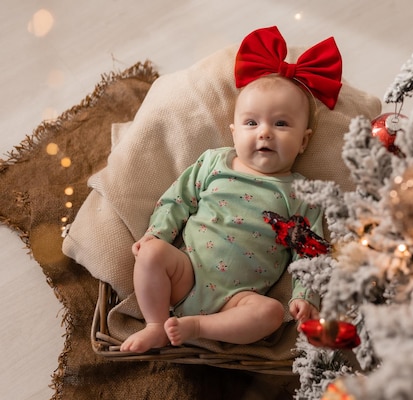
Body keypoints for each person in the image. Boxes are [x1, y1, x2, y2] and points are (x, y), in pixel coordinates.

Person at [120, 26, 342, 353]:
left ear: (304, 141)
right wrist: (157, 234)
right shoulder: (215, 163)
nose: (264, 133)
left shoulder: (303, 195)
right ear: (234, 132)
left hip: (237, 300)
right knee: (151, 254)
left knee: (269, 313)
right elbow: (177, 199)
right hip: (186, 272)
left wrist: (303, 296)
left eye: (281, 124)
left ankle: (195, 326)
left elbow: (310, 252)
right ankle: (155, 324)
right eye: (252, 123)